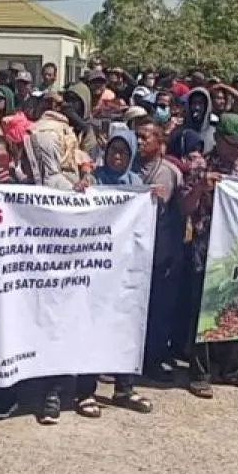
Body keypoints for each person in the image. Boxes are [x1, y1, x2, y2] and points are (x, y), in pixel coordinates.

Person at [182, 114, 238, 398]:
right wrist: (200, 187)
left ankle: (233, 369)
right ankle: (200, 373)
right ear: (218, 140)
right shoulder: (199, 165)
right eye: (232, 144)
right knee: (203, 311)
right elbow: (184, 208)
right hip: (207, 248)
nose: (237, 150)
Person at [74, 129, 153, 415]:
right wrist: (80, 191)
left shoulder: (137, 185)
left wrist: (153, 199)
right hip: (96, 271)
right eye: (113, 151)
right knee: (93, 328)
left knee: (126, 327)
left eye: (123, 152)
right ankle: (85, 391)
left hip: (126, 270)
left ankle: (124, 389)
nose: (117, 157)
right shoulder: (95, 181)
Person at [133, 121, 184, 378]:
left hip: (160, 250)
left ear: (159, 142)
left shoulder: (169, 172)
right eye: (137, 137)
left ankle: (152, 361)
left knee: (158, 309)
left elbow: (176, 211)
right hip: (131, 251)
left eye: (146, 137)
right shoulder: (126, 167)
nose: (140, 142)